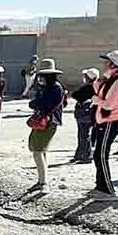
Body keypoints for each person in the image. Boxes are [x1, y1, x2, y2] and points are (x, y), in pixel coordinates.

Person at [91, 50, 118, 197]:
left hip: (111, 120)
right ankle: (100, 187)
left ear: (113, 64)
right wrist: (99, 81)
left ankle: (107, 190)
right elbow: (99, 91)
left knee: (101, 155)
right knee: (98, 154)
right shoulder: (111, 79)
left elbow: (108, 105)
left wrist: (96, 101)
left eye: (107, 61)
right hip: (104, 120)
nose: (104, 64)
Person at [26, 59, 66, 191]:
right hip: (44, 121)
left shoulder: (55, 88)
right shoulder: (47, 87)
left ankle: (43, 182)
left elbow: (46, 104)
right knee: (40, 150)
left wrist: (34, 103)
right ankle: (42, 179)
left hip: (49, 122)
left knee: (38, 151)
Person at [71, 68, 99, 164]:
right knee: (82, 135)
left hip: (86, 115)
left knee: (84, 135)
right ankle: (79, 154)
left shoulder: (90, 87)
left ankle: (86, 156)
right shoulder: (96, 86)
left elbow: (76, 95)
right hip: (86, 115)